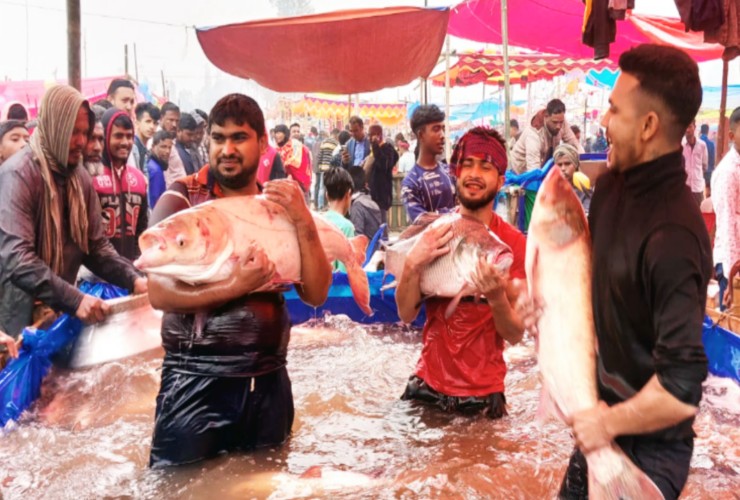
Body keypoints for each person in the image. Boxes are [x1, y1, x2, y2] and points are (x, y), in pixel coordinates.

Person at [145, 93, 331, 468]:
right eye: (218, 138)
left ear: (262, 143)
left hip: (268, 385)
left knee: (264, 485)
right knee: (182, 491)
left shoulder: (279, 205)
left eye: (239, 138)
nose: (227, 149)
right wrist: (236, 285)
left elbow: (316, 293)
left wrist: (303, 220)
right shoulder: (181, 200)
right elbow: (159, 292)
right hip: (192, 384)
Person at [561, 44, 711, 500]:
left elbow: (681, 388)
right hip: (603, 425)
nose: (604, 122)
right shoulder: (609, 190)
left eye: (613, 109)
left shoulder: (675, 237)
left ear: (647, 127)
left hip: (653, 450)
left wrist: (606, 422)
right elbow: (595, 284)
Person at [396, 126, 527, 418]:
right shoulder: (435, 233)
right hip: (426, 385)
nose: (473, 174)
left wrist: (496, 297)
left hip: (481, 397)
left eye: (485, 166)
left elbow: (516, 333)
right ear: (456, 173)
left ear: (501, 180)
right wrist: (411, 264)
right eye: (466, 164)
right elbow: (405, 315)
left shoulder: (514, 245)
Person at [0, 85, 146, 340]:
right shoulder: (18, 175)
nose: (81, 141)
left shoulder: (79, 177)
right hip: (15, 321)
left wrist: (134, 279)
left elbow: (96, 247)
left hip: (57, 315)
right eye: (72, 132)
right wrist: (74, 299)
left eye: (84, 132)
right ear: (54, 127)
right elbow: (18, 259)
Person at [91, 108, 148, 261]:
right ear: (106, 136)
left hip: (130, 274)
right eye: (118, 136)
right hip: (95, 277)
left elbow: (142, 229)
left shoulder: (139, 179)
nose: (125, 142)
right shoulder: (90, 176)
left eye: (129, 136)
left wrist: (137, 263)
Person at [401, 104, 456, 222]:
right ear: (421, 135)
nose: (442, 135)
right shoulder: (411, 183)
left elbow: (464, 209)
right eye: (436, 129)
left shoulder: (449, 172)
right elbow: (421, 221)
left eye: (443, 129)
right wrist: (454, 214)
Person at [710, 106, 740, 311]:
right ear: (731, 135)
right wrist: (732, 278)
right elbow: (728, 224)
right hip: (733, 269)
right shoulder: (728, 172)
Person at [511, 99, 579, 173]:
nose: (558, 126)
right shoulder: (534, 135)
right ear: (546, 117)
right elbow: (534, 172)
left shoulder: (560, 119)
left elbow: (574, 144)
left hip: (543, 166)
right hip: (522, 172)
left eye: (561, 122)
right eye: (555, 122)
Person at [322, 167, 356, 272]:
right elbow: (344, 273)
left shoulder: (317, 221)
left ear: (326, 195)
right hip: (334, 287)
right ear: (348, 194)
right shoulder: (346, 227)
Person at [365, 124, 398, 225]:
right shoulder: (372, 150)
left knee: (381, 222)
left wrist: (375, 146)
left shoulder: (387, 149)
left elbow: (383, 165)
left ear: (378, 135)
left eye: (371, 135)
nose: (369, 138)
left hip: (381, 193)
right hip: (371, 192)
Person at [553, 144, 592, 214]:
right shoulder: (551, 188)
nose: (563, 168)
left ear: (576, 165)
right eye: (559, 165)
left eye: (567, 164)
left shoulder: (584, 187)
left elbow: (587, 213)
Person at [274, 124, 311, 196]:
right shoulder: (276, 149)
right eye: (276, 133)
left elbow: (299, 164)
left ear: (285, 134)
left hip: (295, 184)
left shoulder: (297, 145)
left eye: (279, 133)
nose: (277, 135)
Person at [349, 166, 382, 241]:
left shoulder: (357, 206)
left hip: (365, 249)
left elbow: (357, 238)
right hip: (373, 248)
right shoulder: (371, 202)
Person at [145, 130, 175, 210]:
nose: (167, 151)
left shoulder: (151, 164)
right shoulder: (155, 170)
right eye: (163, 147)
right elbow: (154, 203)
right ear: (153, 146)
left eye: (169, 147)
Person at [682, 120, 708, 206]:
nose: (687, 130)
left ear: (695, 127)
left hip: (698, 187)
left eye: (690, 126)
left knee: (699, 214)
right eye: (685, 126)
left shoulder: (702, 145)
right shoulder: (680, 146)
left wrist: (697, 175)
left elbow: (704, 165)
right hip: (685, 187)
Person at [313, 128, 340, 209]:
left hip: (323, 167)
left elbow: (320, 155)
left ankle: (320, 205)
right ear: (336, 135)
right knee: (329, 187)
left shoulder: (324, 142)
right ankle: (327, 205)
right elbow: (337, 156)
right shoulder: (336, 143)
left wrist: (320, 166)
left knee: (321, 186)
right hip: (330, 167)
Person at [131, 102, 160, 173]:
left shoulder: (144, 149)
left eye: (155, 123)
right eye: (148, 121)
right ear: (137, 123)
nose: (152, 127)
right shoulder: (133, 148)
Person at [700, 123, 716, 192]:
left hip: (699, 171)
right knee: (708, 189)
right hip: (708, 170)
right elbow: (712, 158)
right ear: (707, 131)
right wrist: (712, 167)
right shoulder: (711, 144)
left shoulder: (697, 142)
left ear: (700, 131)